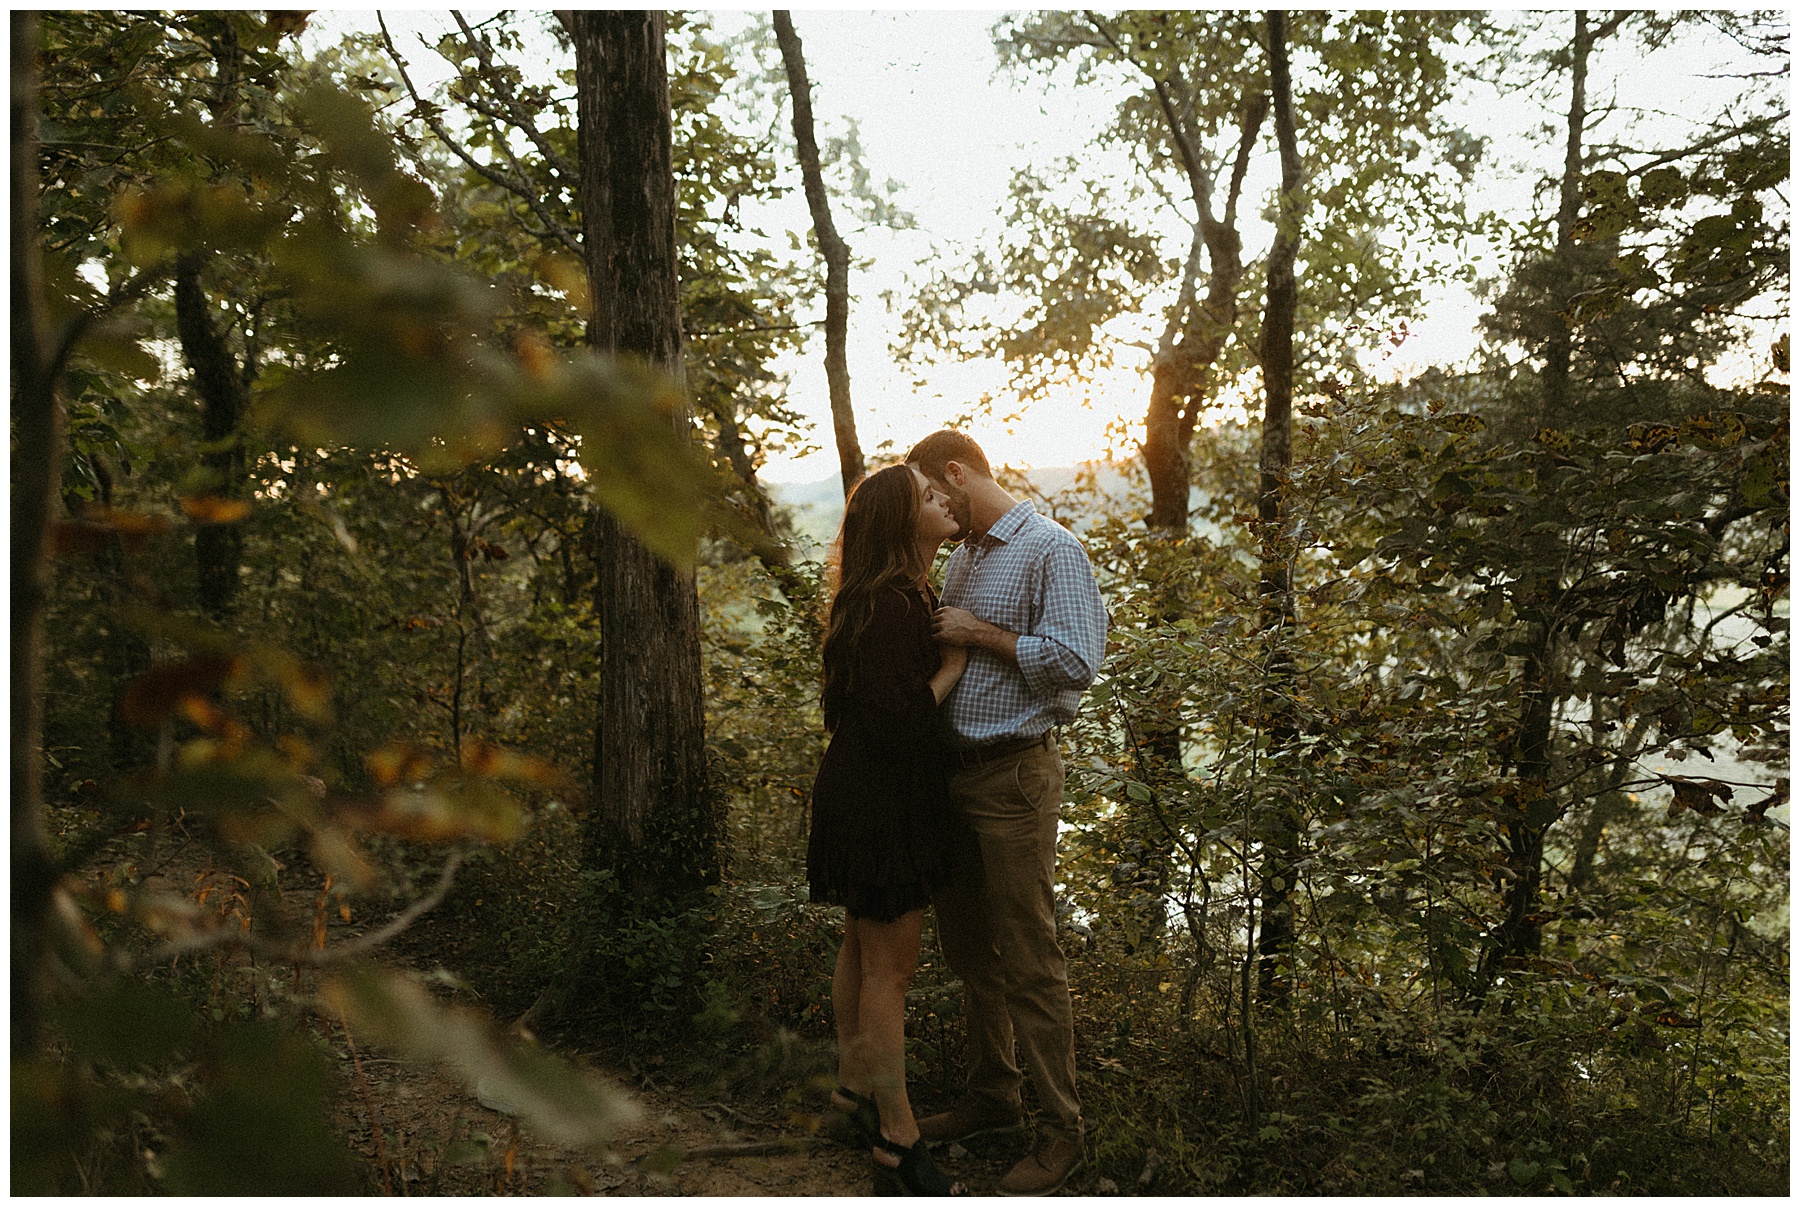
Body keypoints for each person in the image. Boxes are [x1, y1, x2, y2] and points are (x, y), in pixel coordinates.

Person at [904, 430, 1108, 1196]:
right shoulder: (967, 556)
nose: (929, 506)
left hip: (1014, 775)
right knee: (968, 951)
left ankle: (1063, 1133)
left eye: (930, 489)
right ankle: (994, 1097)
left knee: (1028, 956)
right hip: (953, 779)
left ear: (955, 474)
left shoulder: (1052, 548)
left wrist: (977, 634)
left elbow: (1076, 659)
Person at [807, 462, 970, 1196]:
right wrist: (955, 666)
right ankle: (897, 1137)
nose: (943, 498)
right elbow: (904, 721)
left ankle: (850, 1094)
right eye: (927, 496)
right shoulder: (897, 603)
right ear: (902, 523)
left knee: (862, 943)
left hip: (863, 788)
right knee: (890, 970)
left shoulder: (880, 595)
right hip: (880, 798)